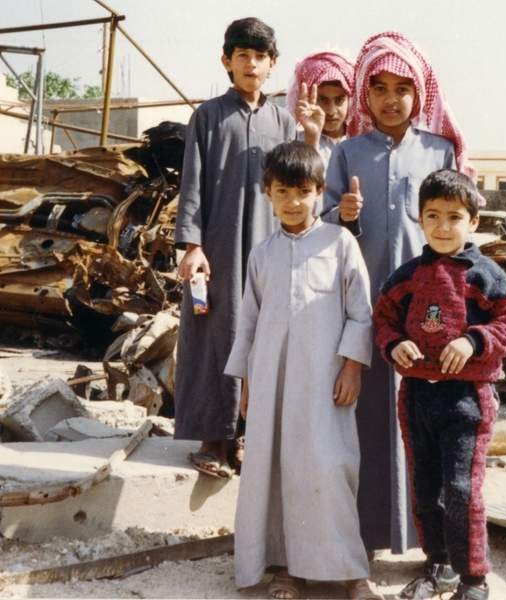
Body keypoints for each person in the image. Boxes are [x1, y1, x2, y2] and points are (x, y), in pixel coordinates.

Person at [322, 31, 476, 553]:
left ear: (421, 93)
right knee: (363, 422)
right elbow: (321, 222)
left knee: (426, 429)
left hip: (429, 318)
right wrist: (341, 216)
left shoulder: (441, 149)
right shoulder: (347, 153)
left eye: (402, 88)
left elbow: (459, 228)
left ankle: (429, 547)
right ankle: (361, 538)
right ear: (364, 94)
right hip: (365, 311)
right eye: (379, 87)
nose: (391, 99)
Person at [224, 141, 381, 600]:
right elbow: (249, 323)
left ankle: (351, 572)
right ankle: (287, 569)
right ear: (267, 194)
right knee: (276, 472)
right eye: (281, 191)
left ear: (319, 193)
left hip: (325, 384)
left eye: (303, 191)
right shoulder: (262, 254)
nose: (293, 202)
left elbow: (361, 313)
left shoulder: (340, 243)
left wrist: (353, 367)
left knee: (331, 468)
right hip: (272, 386)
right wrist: (248, 383)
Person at [173, 17, 322, 477]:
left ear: (271, 64)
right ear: (227, 62)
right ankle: (210, 439)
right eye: (243, 56)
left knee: (260, 337)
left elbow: (301, 183)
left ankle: (243, 438)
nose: (251, 63)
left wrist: (311, 139)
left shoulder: (282, 121)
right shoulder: (208, 116)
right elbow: (192, 183)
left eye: (260, 56)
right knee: (213, 335)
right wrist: (192, 245)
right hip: (216, 247)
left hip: (267, 248)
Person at [373, 169, 506, 600]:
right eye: (433, 215)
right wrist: (395, 345)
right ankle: (437, 565)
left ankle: (473, 579)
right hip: (418, 395)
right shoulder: (404, 277)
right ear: (419, 219)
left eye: (454, 217)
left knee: (462, 489)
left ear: (473, 221)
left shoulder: (487, 276)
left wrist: (473, 339)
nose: (443, 226)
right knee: (425, 487)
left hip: (467, 399)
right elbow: (382, 320)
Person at [286, 51, 354, 167]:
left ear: (351, 100)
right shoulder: (292, 141)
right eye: (322, 100)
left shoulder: (360, 138)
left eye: (339, 100)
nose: (331, 111)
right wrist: (311, 140)